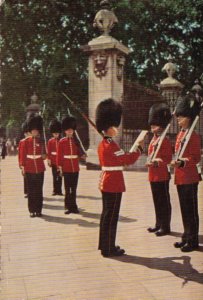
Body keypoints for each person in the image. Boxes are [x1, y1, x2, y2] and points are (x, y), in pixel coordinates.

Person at [96, 98, 145, 257]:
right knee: (111, 217)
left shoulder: (104, 144)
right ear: (109, 128)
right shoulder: (111, 145)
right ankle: (109, 247)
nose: (117, 128)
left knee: (106, 216)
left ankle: (105, 245)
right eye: (114, 126)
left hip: (107, 181)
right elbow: (127, 160)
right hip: (113, 183)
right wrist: (138, 149)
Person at [171, 94, 201, 252]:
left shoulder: (193, 136)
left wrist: (182, 162)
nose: (178, 120)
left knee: (191, 210)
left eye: (181, 117)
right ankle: (186, 236)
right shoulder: (180, 135)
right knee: (184, 208)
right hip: (180, 177)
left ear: (189, 118)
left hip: (190, 177)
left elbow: (195, 157)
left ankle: (193, 239)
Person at [146, 103, 173, 236]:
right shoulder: (154, 139)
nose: (152, 127)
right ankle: (158, 224)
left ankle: (165, 226)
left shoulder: (165, 140)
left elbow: (167, 159)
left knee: (163, 202)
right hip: (153, 175)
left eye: (155, 125)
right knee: (157, 201)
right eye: (151, 125)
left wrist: (157, 162)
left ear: (161, 126)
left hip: (162, 175)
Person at [57, 116, 86, 214]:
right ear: (65, 131)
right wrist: (60, 168)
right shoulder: (62, 141)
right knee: (67, 188)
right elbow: (59, 156)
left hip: (75, 167)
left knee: (74, 188)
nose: (70, 132)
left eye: (71, 130)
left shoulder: (76, 141)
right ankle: (67, 206)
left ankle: (73, 206)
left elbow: (79, 153)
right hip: (66, 167)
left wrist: (83, 155)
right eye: (68, 130)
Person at [19, 115, 46, 217]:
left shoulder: (41, 141)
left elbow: (44, 155)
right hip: (29, 168)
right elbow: (22, 156)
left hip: (39, 168)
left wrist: (44, 155)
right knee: (31, 191)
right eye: (33, 130)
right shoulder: (24, 142)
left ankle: (39, 210)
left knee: (39, 190)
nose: (35, 132)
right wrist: (23, 167)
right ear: (30, 131)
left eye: (36, 130)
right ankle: (32, 210)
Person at [47, 119, 63, 196]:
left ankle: (59, 190)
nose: (56, 135)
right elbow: (49, 151)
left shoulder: (61, 141)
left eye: (57, 133)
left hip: (60, 161)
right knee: (54, 176)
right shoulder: (50, 141)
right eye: (55, 133)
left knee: (60, 176)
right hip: (53, 161)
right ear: (53, 133)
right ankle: (54, 190)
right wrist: (49, 160)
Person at [18, 120, 30, 198]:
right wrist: (21, 164)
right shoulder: (22, 142)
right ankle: (27, 192)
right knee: (26, 178)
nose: (27, 134)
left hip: (32, 162)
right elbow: (20, 154)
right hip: (25, 162)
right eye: (26, 133)